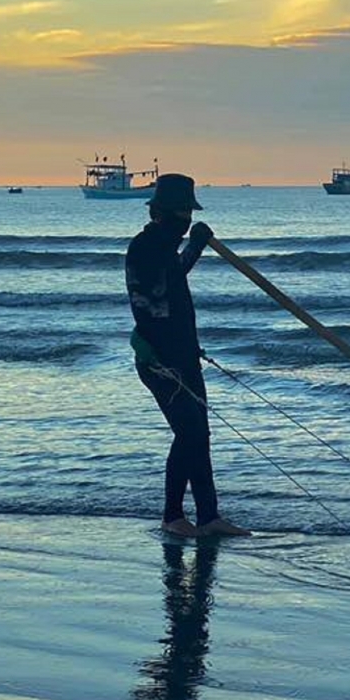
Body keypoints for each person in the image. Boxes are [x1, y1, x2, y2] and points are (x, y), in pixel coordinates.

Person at [126, 173, 250, 537]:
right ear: (161, 214)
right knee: (189, 433)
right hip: (160, 361)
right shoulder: (145, 247)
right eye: (182, 214)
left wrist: (194, 245)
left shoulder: (163, 247)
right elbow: (158, 296)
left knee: (201, 434)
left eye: (189, 214)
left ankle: (209, 517)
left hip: (183, 357)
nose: (187, 221)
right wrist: (194, 244)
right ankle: (173, 517)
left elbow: (176, 272)